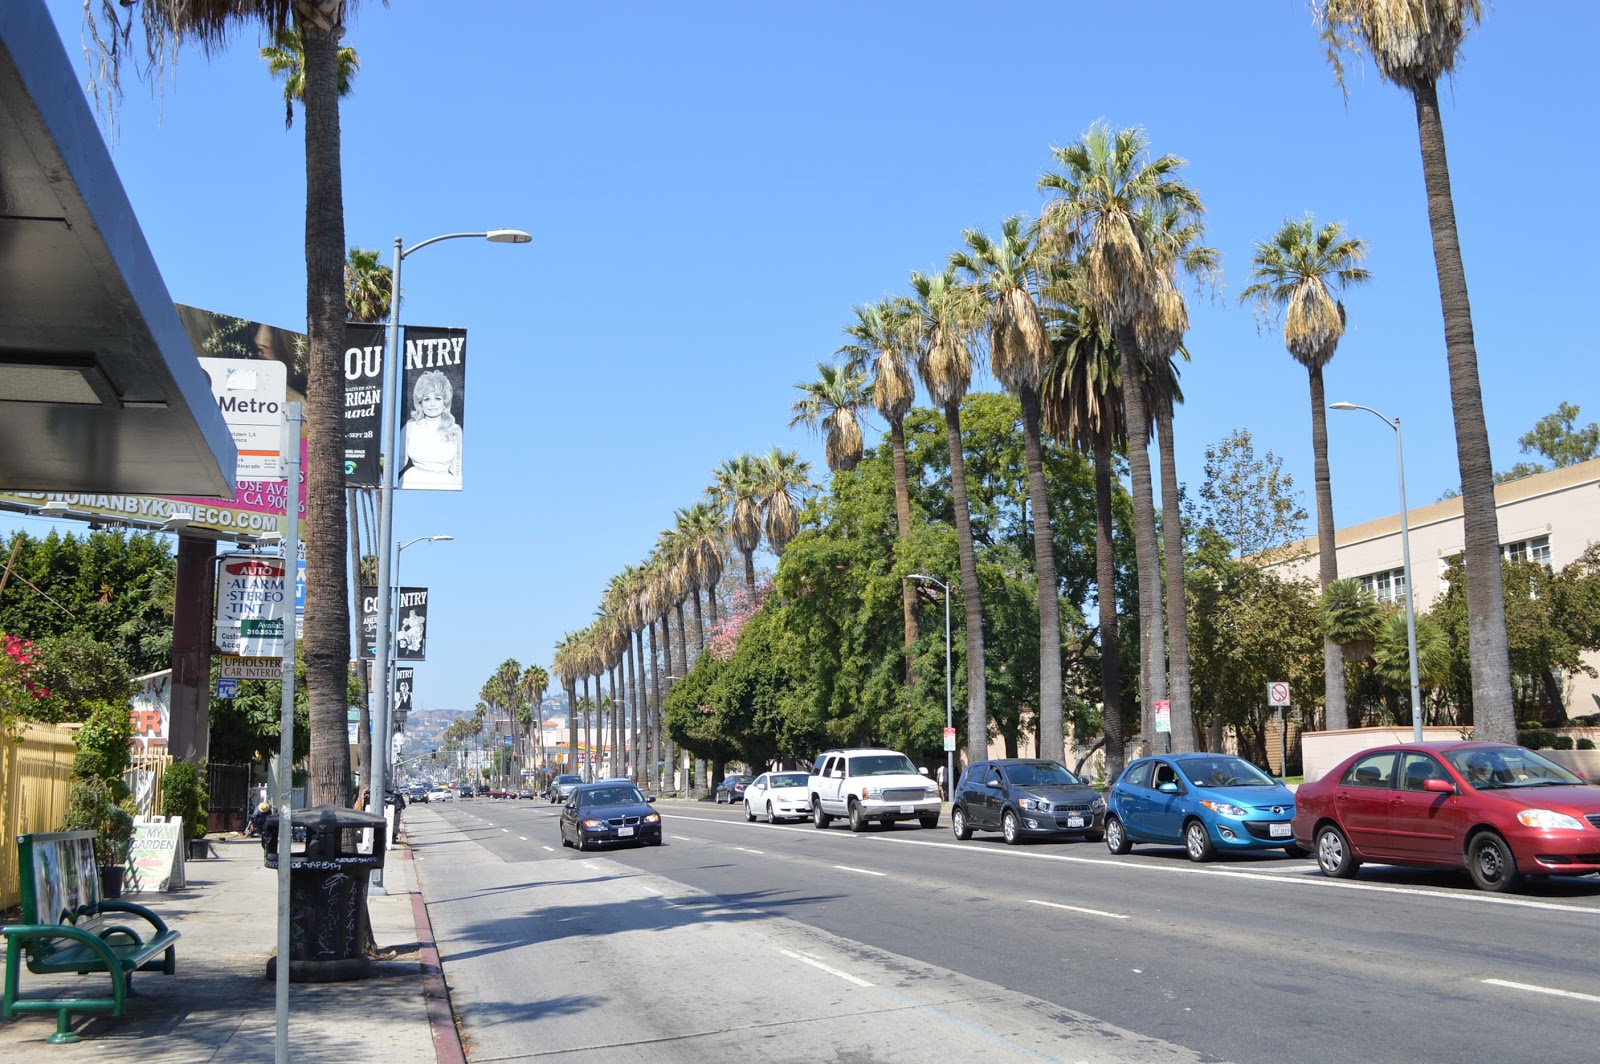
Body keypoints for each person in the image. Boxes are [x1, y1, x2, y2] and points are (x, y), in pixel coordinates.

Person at [399, 370, 462, 489]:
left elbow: (458, 470)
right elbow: (398, 461)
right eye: (427, 399)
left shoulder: (455, 430)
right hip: (411, 483)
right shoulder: (410, 428)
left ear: (445, 401)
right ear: (420, 403)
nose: (432, 404)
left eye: (437, 398)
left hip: (446, 486)